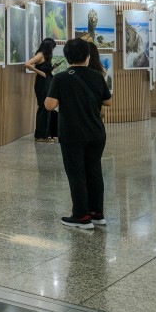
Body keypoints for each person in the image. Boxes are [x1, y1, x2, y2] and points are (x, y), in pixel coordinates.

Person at [44, 38, 113, 230]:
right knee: (94, 171)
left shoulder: (61, 78)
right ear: (88, 56)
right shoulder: (97, 76)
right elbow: (108, 102)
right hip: (96, 132)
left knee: (76, 174)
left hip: (73, 133)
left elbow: (49, 105)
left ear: (66, 57)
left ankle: (81, 216)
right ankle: (97, 214)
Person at [24, 38, 59, 143]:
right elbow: (27, 64)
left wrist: (53, 67)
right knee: (43, 108)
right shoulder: (40, 55)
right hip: (42, 83)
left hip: (48, 81)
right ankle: (40, 135)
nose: (53, 49)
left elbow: (46, 70)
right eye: (52, 47)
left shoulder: (47, 56)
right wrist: (39, 72)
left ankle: (48, 134)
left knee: (49, 107)